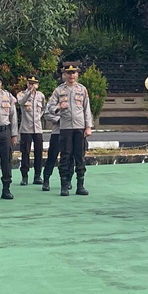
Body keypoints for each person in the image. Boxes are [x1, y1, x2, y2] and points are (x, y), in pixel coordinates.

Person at [52, 62, 94, 195]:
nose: (71, 75)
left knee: (80, 157)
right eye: (69, 73)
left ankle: (80, 185)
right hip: (65, 128)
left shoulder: (82, 89)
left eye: (74, 73)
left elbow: (87, 109)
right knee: (65, 156)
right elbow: (49, 108)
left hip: (79, 127)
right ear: (65, 74)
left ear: (77, 74)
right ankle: (64, 184)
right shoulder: (59, 90)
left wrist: (88, 127)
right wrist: (58, 107)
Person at [17, 77, 46, 188]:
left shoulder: (41, 95)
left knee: (38, 152)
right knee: (25, 152)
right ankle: (24, 176)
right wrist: (29, 92)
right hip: (26, 128)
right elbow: (21, 102)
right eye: (30, 83)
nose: (32, 85)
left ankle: (37, 176)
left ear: (38, 84)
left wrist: (39, 116)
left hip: (37, 128)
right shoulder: (21, 94)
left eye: (34, 84)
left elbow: (43, 107)